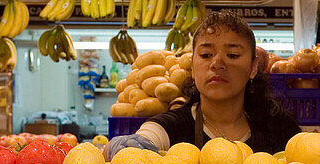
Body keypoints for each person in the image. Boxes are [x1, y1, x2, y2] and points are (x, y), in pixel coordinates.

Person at [104, 11, 302, 156]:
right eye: (206, 55)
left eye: (232, 55)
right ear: (192, 66)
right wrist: (125, 147)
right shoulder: (171, 127)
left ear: (253, 67)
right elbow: (150, 136)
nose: (217, 63)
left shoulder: (281, 130)